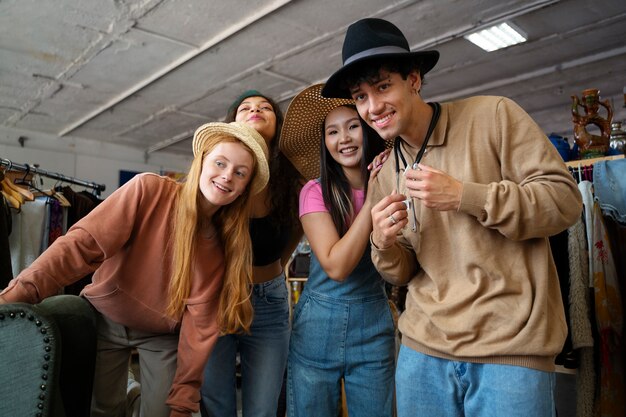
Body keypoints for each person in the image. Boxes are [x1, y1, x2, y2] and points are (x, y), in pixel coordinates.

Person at [321, 18, 584, 417]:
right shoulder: (386, 169)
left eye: (382, 87)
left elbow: (565, 202)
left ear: (414, 80)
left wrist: (466, 196)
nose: (372, 107)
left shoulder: (494, 116)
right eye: (360, 97)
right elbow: (403, 272)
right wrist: (383, 243)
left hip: (510, 352)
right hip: (422, 353)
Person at [0, 121, 270, 417]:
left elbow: (200, 329)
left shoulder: (222, 247)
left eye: (240, 173)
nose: (227, 176)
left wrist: (183, 401)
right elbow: (81, 245)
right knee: (103, 410)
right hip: (107, 317)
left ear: (244, 188)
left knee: (160, 413)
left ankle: (133, 393)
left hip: (160, 334)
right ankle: (128, 391)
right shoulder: (148, 189)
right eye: (221, 162)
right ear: (202, 159)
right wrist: (21, 291)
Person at [279, 83, 395, 416]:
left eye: (353, 126)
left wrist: (382, 187)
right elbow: (335, 266)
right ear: (324, 142)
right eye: (332, 131)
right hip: (317, 326)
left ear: (369, 129)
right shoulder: (315, 192)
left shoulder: (393, 185)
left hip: (374, 323)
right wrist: (372, 200)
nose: (343, 138)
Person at [201, 91, 302, 417]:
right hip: (216, 298)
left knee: (264, 407)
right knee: (217, 404)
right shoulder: (218, 176)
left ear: (278, 124)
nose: (255, 110)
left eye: (265, 108)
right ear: (232, 123)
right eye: (245, 107)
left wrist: (273, 270)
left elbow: (296, 233)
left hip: (270, 302)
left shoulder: (292, 181)